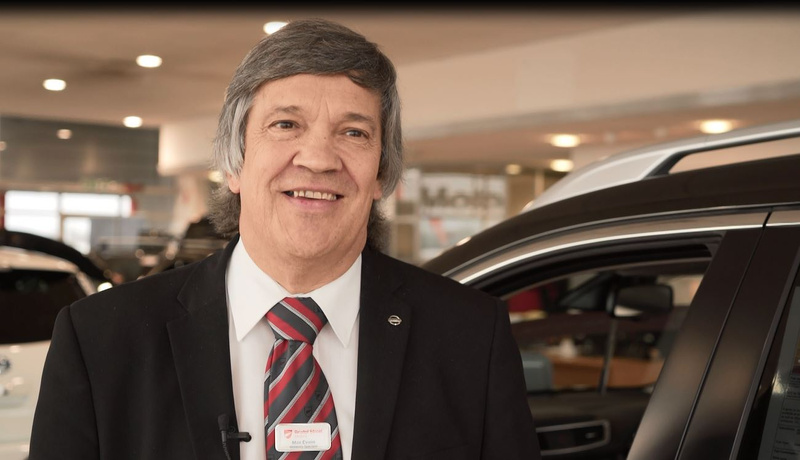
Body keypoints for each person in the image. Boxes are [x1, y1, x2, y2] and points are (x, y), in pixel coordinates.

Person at [29, 18, 541, 460]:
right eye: (286, 124)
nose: (318, 159)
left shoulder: (472, 336)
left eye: (354, 132)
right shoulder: (100, 340)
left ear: (381, 174)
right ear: (234, 163)